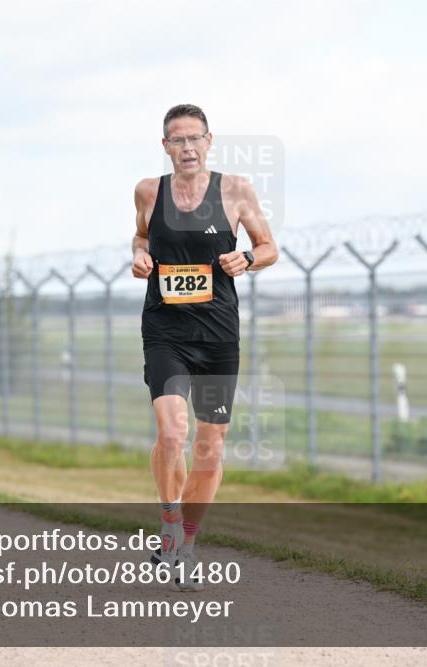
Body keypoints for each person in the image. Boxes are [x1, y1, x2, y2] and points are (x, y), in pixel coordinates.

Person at [130, 104, 278, 591]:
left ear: (209, 141)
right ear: (165, 145)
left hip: (216, 333)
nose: (187, 148)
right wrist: (139, 256)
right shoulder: (148, 191)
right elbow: (141, 236)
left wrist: (248, 258)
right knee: (172, 433)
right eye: (178, 140)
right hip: (165, 328)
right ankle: (169, 524)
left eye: (195, 138)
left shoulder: (234, 189)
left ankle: (185, 545)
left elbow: (269, 247)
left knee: (210, 448)